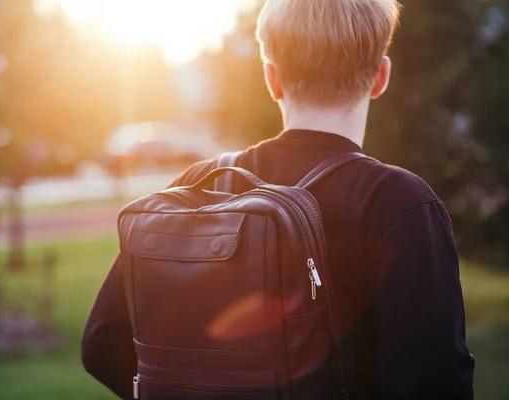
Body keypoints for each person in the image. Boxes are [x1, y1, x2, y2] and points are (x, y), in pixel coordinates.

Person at [81, 0, 475, 398]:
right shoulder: (397, 202)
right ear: (381, 77)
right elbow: (436, 380)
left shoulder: (199, 187)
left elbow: (102, 343)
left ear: (272, 79)